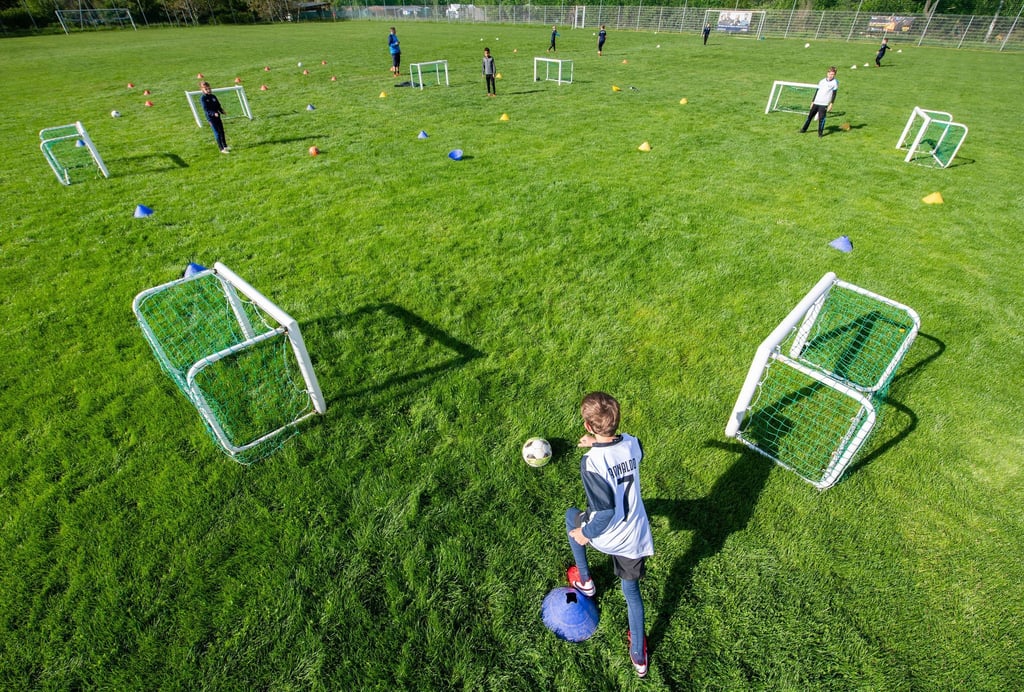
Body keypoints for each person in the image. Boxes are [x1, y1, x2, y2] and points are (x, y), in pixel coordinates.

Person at [565, 392, 654, 678]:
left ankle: (586, 581)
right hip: (634, 536)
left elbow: (603, 512)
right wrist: (599, 443)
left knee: (571, 517)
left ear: (589, 426)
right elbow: (625, 451)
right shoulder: (632, 443)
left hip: (607, 533)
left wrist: (585, 533)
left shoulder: (591, 463)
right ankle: (639, 656)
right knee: (631, 593)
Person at [800, 66, 838, 138]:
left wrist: (831, 104)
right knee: (809, 117)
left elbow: (834, 94)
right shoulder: (822, 81)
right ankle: (803, 129)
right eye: (830, 74)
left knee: (821, 119)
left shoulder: (835, 83)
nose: (831, 76)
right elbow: (817, 91)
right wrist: (812, 101)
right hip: (816, 102)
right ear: (827, 73)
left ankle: (820, 134)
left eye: (833, 74)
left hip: (824, 104)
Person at [199, 82, 229, 154]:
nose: (208, 90)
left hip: (217, 116)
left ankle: (225, 146)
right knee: (217, 133)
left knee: (222, 131)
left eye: (209, 88)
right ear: (202, 90)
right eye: (206, 89)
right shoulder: (203, 98)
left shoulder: (213, 96)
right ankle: (221, 149)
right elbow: (206, 110)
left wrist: (222, 111)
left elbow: (218, 106)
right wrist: (213, 113)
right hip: (211, 119)